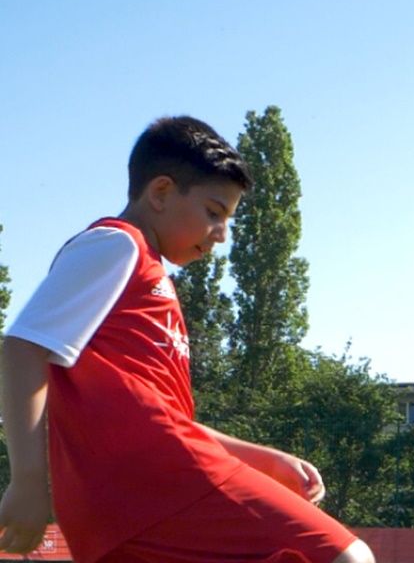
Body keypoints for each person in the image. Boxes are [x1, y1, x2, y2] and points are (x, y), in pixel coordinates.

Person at [0, 116, 374, 563]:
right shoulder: (118, 245)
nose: (222, 234)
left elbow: (160, 416)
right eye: (214, 213)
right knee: (346, 557)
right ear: (160, 192)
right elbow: (22, 347)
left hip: (128, 505)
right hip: (160, 486)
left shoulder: (146, 273)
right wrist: (27, 480)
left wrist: (261, 457)